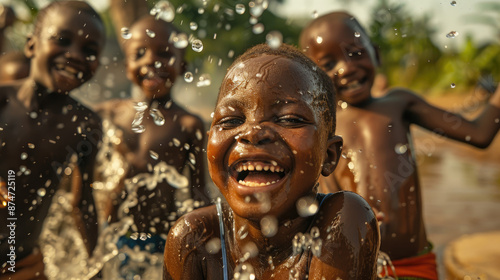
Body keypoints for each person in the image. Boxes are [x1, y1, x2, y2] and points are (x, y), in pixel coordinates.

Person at [299, 11, 500, 280]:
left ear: (377, 55)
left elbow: (479, 133)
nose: (346, 67)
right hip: (351, 269)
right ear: (312, 78)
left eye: (357, 53)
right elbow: (315, 196)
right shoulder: (320, 125)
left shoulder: (398, 103)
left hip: (415, 266)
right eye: (329, 63)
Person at [163, 43, 380, 280]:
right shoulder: (193, 238)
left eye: (289, 119)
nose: (253, 133)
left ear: (329, 156)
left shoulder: (344, 218)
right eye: (231, 120)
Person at [94, 14, 210, 278]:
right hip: (108, 238)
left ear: (183, 66)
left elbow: (198, 191)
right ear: (127, 66)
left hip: (161, 242)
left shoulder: (188, 124)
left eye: (165, 53)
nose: (151, 61)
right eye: (140, 53)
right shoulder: (109, 114)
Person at [0, 1, 106, 279]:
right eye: (62, 40)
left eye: (90, 51)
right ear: (32, 45)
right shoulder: (2, 100)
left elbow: (83, 205)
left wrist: (97, 267)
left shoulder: (84, 124)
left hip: (21, 264)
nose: (75, 55)